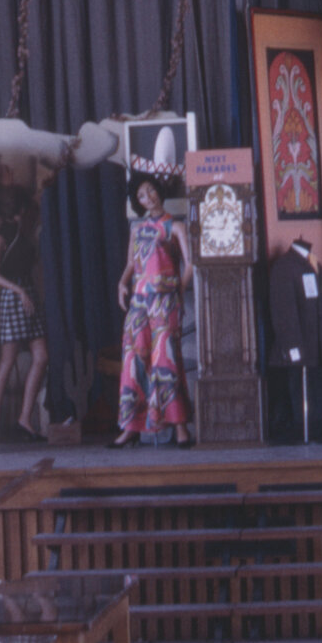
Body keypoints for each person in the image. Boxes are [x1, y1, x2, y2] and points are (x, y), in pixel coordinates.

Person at [110, 173, 194, 448]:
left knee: (165, 359)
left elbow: (190, 264)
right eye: (142, 195)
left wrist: (179, 291)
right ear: (138, 201)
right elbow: (132, 264)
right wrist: (122, 283)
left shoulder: (176, 226)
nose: (149, 197)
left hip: (165, 299)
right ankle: (131, 426)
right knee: (134, 360)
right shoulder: (136, 229)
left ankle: (180, 426)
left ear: (159, 190)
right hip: (139, 301)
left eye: (151, 191)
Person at [0, 185, 49, 441]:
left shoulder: (26, 235)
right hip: (13, 296)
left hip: (28, 293)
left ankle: (24, 417)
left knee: (41, 356)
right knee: (7, 359)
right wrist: (20, 291)